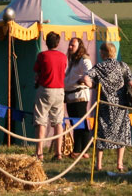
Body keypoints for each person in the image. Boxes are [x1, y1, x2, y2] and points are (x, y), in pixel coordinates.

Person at [84, 42, 132, 172]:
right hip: (121, 106)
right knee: (122, 134)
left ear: (103, 53)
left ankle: (99, 164)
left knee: (101, 134)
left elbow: (86, 79)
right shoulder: (123, 65)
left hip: (104, 106)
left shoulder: (99, 67)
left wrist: (95, 86)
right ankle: (119, 164)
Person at [33, 32, 68, 162]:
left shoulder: (42, 56)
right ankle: (58, 153)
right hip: (59, 90)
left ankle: (39, 153)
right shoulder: (63, 57)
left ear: (46, 42)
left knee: (41, 120)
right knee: (58, 121)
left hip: (45, 89)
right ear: (57, 43)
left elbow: (36, 70)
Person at [64, 36, 93, 158]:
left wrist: (84, 78)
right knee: (75, 123)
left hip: (80, 95)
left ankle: (83, 150)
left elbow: (90, 72)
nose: (70, 47)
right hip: (70, 95)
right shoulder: (72, 60)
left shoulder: (84, 60)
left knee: (82, 123)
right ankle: (77, 149)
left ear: (79, 47)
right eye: (70, 45)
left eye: (73, 45)